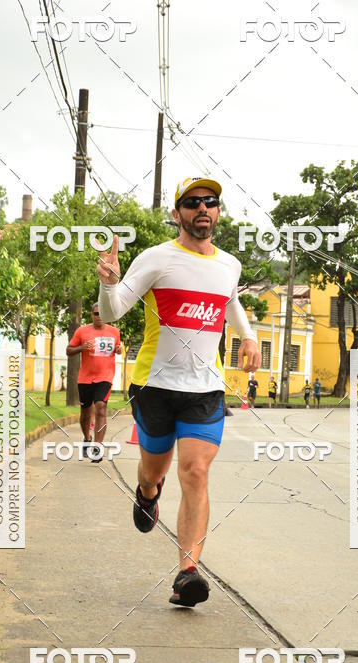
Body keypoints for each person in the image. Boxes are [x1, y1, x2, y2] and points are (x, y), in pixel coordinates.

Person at [96, 176, 261, 607]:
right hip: (154, 385)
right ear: (178, 213)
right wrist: (109, 282)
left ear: (218, 212)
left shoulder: (229, 265)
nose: (202, 208)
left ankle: (188, 572)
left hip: (205, 387)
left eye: (210, 202)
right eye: (192, 203)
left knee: (196, 471)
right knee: (154, 470)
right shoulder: (157, 258)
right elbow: (114, 310)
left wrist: (249, 337)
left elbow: (228, 301)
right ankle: (148, 493)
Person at [66, 302, 121, 461]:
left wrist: (119, 349)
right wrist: (82, 347)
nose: (99, 317)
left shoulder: (114, 332)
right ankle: (87, 438)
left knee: (101, 407)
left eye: (102, 313)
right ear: (92, 315)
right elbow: (69, 350)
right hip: (85, 378)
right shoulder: (82, 331)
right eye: (96, 314)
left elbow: (118, 348)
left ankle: (97, 447)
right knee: (85, 413)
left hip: (105, 377)